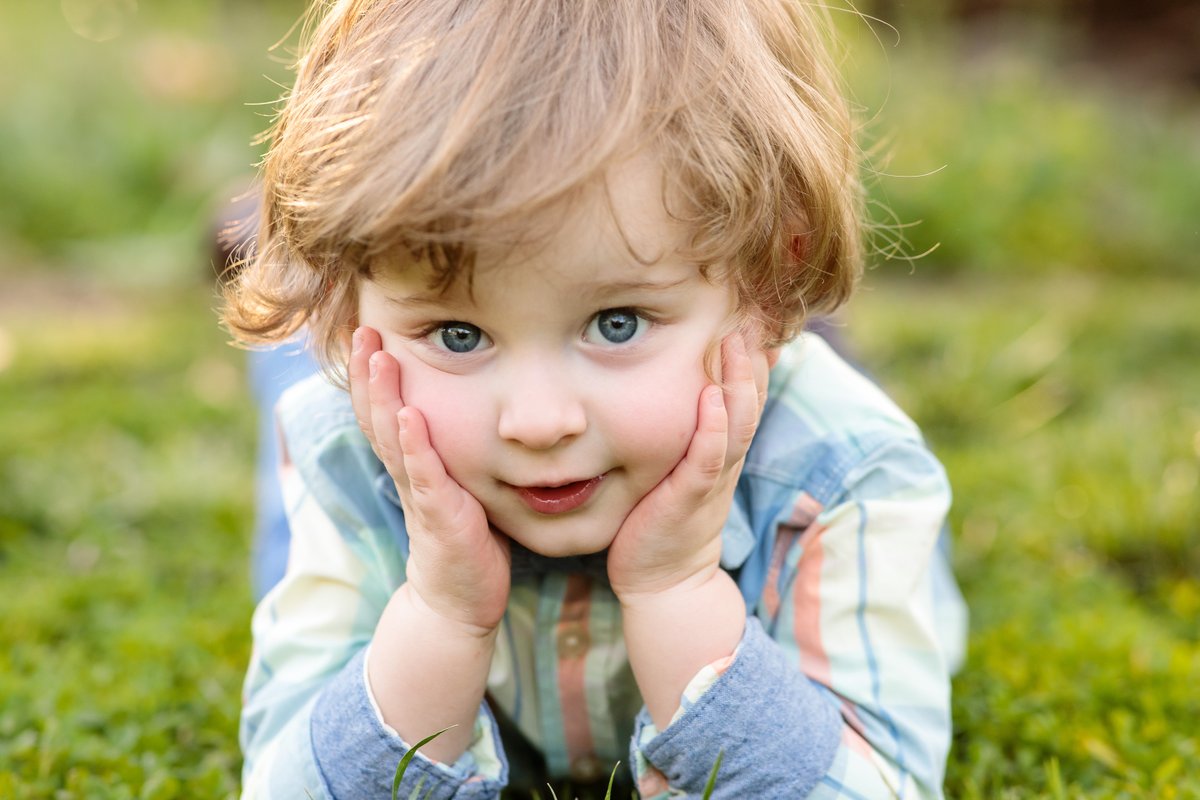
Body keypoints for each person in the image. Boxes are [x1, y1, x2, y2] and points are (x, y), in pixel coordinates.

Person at [222, 1, 967, 797]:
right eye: (458, 334)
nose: (539, 424)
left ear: (770, 276)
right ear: (350, 303)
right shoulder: (354, 448)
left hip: (773, 393)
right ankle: (271, 270)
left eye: (617, 323)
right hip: (362, 386)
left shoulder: (844, 473)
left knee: (798, 370)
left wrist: (675, 589)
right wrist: (441, 612)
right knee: (299, 382)